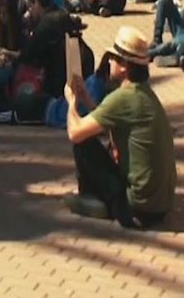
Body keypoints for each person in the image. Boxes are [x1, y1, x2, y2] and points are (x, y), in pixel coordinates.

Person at [63, 25, 175, 229]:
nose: (109, 62)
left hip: (136, 209)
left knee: (83, 144)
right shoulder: (144, 93)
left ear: (125, 66)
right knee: (102, 141)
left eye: (113, 58)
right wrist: (85, 98)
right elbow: (110, 121)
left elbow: (75, 133)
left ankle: (94, 199)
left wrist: (71, 102)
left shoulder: (123, 98)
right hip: (159, 207)